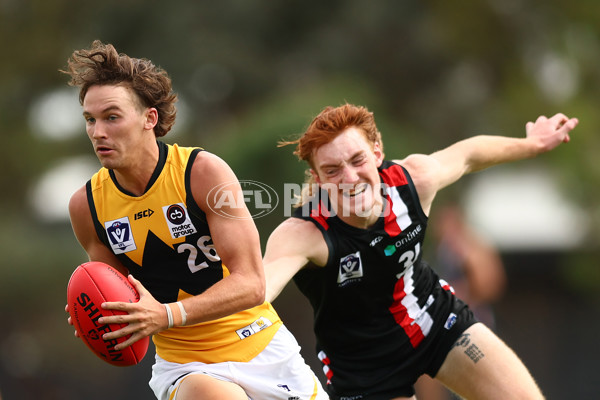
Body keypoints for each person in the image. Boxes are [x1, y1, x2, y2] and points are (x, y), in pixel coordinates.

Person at [62, 40, 327, 400]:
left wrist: (167, 314)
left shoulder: (201, 173)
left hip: (261, 346)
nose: (98, 132)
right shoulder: (87, 206)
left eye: (112, 116)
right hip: (186, 368)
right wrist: (99, 320)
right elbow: (123, 304)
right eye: (90, 120)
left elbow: (251, 284)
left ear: (149, 119)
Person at [263, 103, 578, 400]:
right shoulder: (304, 233)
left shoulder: (413, 181)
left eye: (357, 160)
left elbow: (469, 154)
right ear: (317, 179)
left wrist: (531, 144)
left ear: (377, 153)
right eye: (332, 170)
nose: (349, 178)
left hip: (435, 321)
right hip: (364, 368)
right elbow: (258, 290)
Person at [414, 203, 507, 400]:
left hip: (470, 324)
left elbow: (490, 284)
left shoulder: (469, 247)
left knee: (478, 384)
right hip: (441, 324)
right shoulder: (438, 251)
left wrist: (465, 274)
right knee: (426, 371)